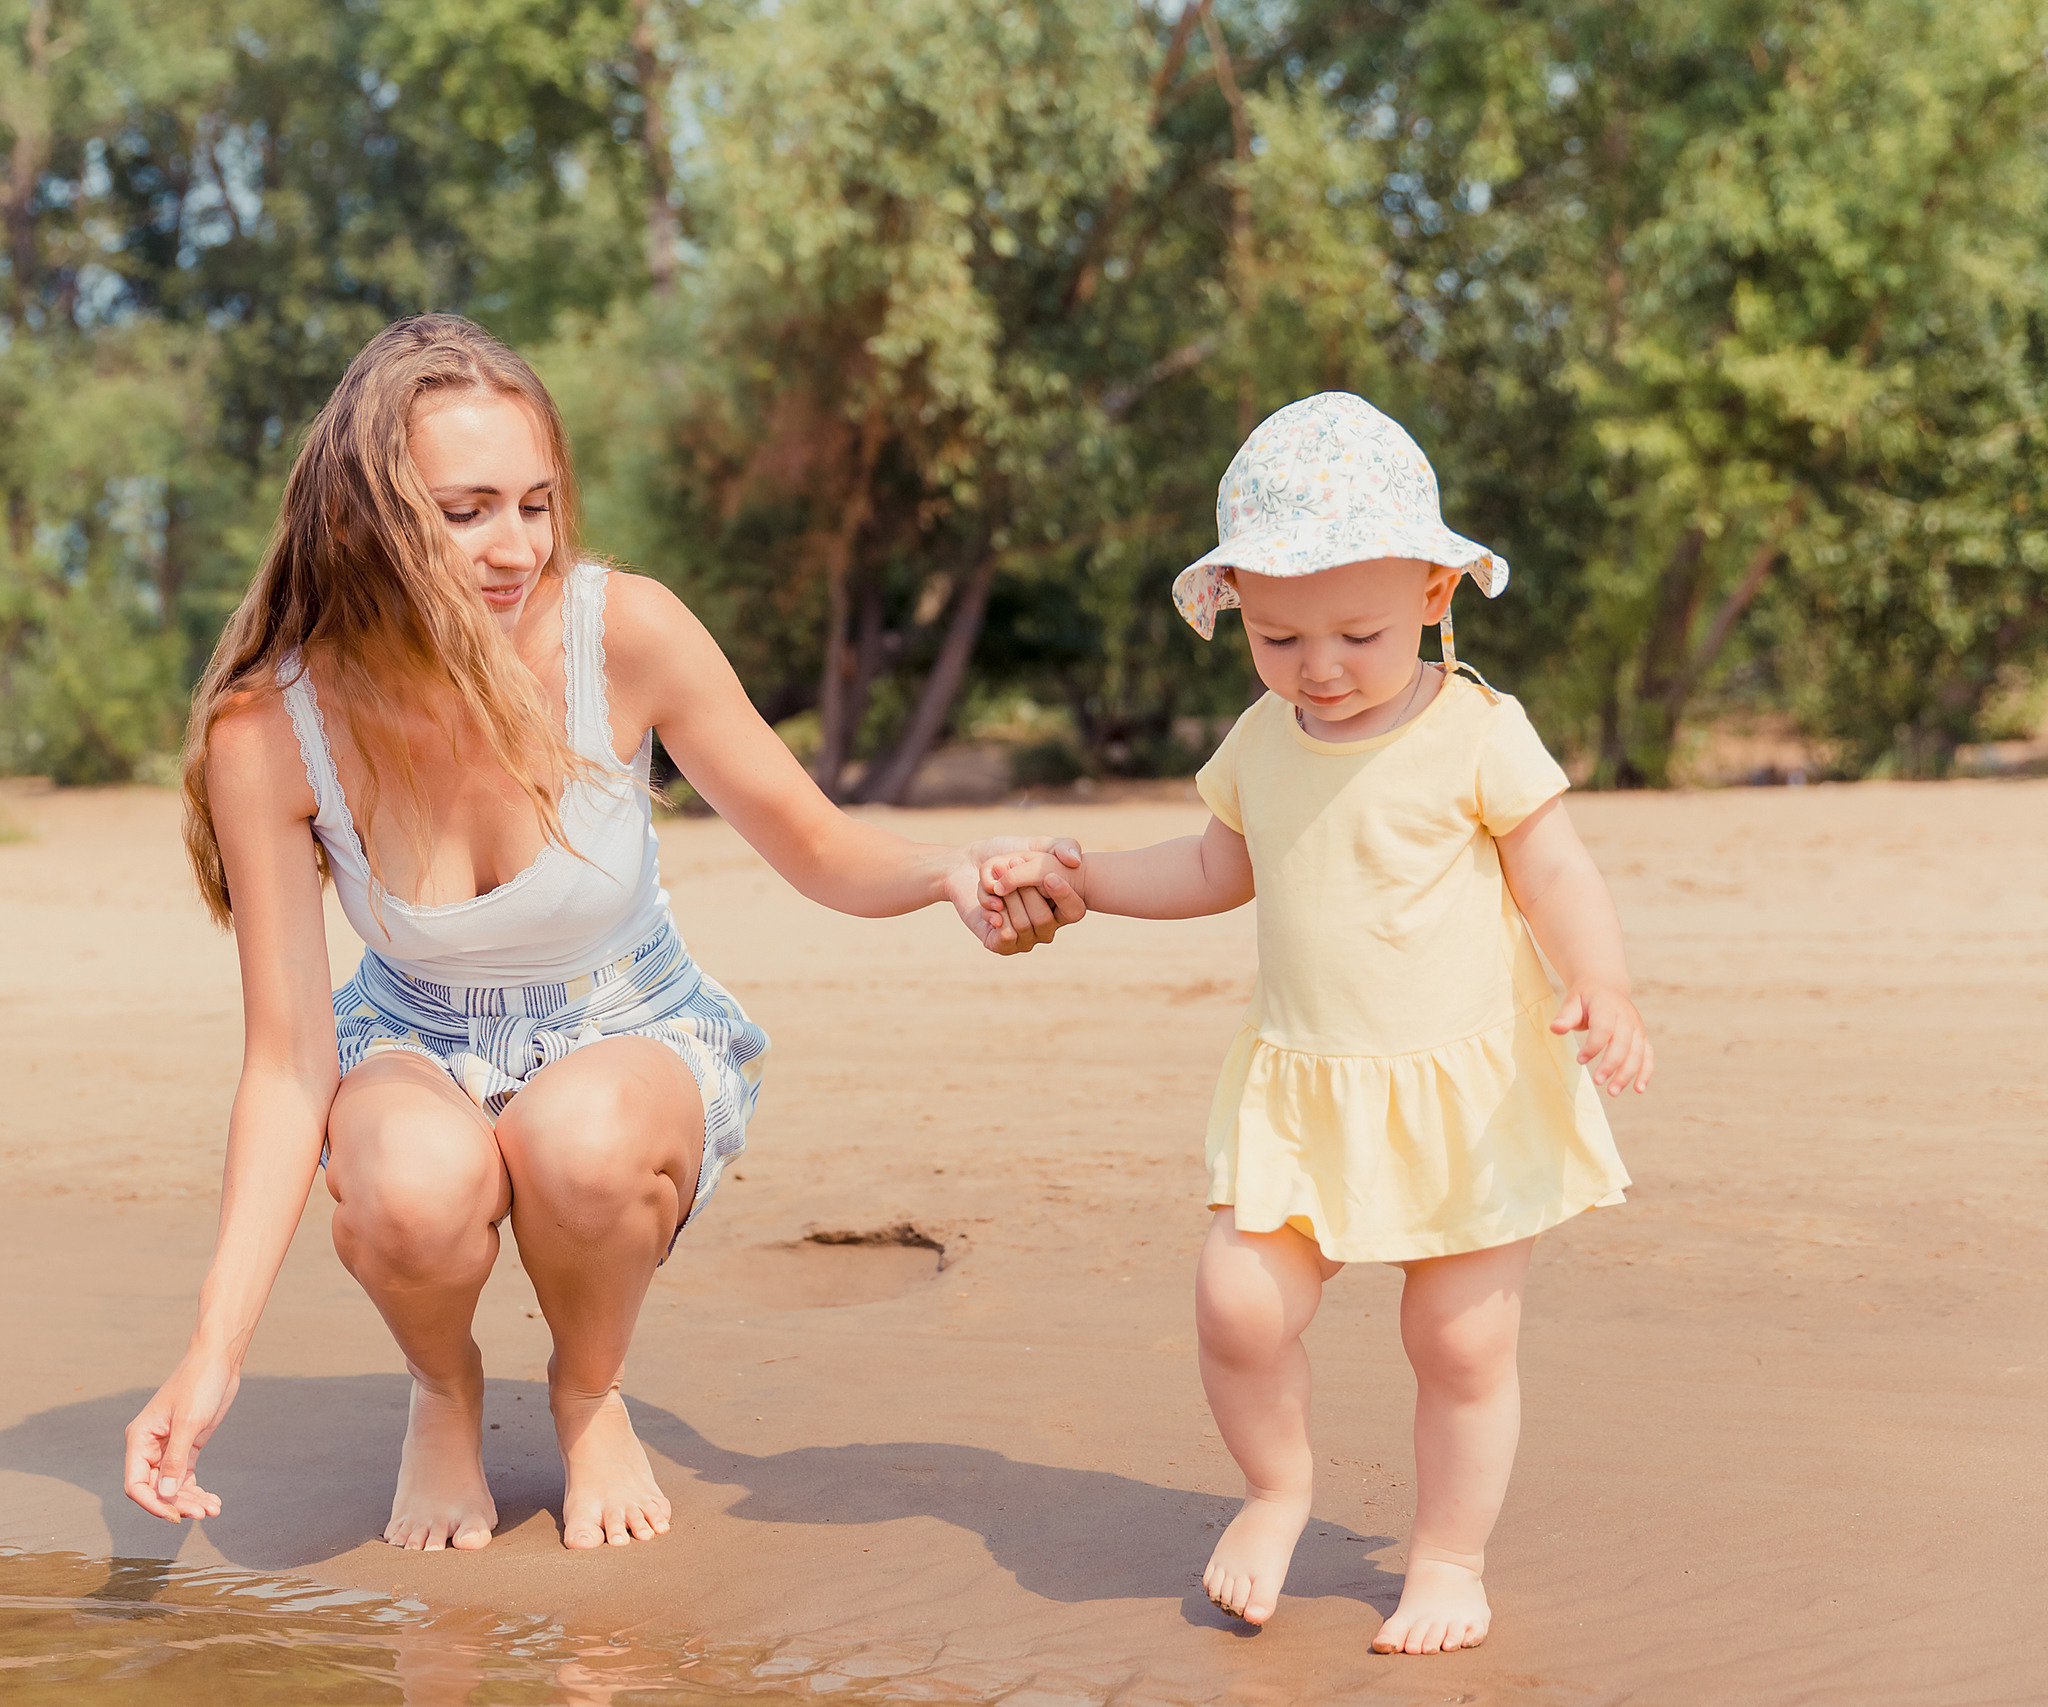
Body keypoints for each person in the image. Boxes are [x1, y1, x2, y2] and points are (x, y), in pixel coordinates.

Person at [123, 313, 1081, 1553]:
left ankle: (587, 1395)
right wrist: (212, 1351)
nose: (517, 546)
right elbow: (287, 1065)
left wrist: (948, 874)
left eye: (535, 503)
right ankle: (443, 1392)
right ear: (361, 520)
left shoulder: (623, 632)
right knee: (410, 1186)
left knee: (577, 1143)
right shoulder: (271, 730)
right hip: (414, 1037)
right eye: (465, 512)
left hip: (629, 1022)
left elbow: (816, 844)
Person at [977, 393, 1649, 1656]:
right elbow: (1211, 867)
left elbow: (1555, 870)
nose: (1319, 666)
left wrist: (1601, 983)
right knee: (1237, 1304)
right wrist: (1085, 880)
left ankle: (1446, 1560)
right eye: (1278, 636)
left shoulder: (1476, 731)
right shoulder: (1261, 740)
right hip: (1306, 1088)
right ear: (1234, 605)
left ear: (1435, 595)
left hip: (1465, 1093)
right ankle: (1276, 1489)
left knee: (1457, 1341)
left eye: (1358, 633)